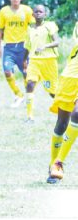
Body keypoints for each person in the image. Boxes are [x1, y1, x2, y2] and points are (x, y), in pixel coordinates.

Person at [0, 0, 35, 107]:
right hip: (9, 48)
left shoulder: (27, 10)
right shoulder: (4, 11)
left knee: (26, 73)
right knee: (7, 71)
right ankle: (18, 95)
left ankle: (28, 98)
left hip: (23, 47)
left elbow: (34, 27)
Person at [47, 41, 78, 184]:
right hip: (71, 77)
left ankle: (58, 163)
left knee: (77, 114)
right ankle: (53, 162)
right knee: (62, 123)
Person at [23, 5, 60, 122]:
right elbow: (27, 47)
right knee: (30, 85)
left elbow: (57, 42)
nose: (38, 13)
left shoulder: (50, 26)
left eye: (41, 11)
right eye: (36, 12)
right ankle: (29, 116)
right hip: (34, 61)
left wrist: (45, 46)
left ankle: (65, 111)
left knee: (52, 92)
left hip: (49, 62)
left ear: (45, 14)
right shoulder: (30, 29)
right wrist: (24, 60)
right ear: (32, 15)